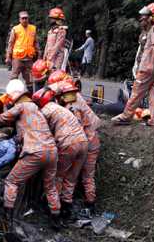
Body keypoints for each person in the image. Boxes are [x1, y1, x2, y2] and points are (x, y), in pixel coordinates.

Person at [0, 79, 61, 230]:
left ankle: (7, 221)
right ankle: (56, 220)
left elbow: (4, 117)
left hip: (35, 151)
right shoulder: (36, 108)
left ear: (14, 95)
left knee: (11, 182)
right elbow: (24, 131)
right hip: (52, 151)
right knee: (50, 186)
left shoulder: (21, 106)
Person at [112, 2, 154, 126]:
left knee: (136, 91)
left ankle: (126, 116)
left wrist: (150, 63)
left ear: (152, 16)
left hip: (148, 68)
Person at [32, 88, 88, 218]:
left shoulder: (46, 110)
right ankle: (66, 207)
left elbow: (39, 131)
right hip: (83, 142)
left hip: (68, 143)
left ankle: (53, 207)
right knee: (72, 177)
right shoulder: (61, 109)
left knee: (58, 176)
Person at [53, 80, 101, 212]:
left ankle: (62, 205)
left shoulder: (69, 109)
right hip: (93, 141)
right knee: (88, 176)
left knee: (66, 175)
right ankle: (90, 203)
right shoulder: (79, 103)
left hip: (81, 143)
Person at [6, 11, 40, 92]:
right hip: (17, 58)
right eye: (23, 18)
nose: (24, 20)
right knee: (14, 77)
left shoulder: (33, 28)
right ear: (19, 19)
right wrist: (8, 57)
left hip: (29, 58)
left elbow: (36, 42)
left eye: (26, 18)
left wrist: (39, 55)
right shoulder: (15, 29)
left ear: (28, 19)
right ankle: (12, 95)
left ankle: (31, 96)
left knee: (30, 79)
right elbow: (10, 43)